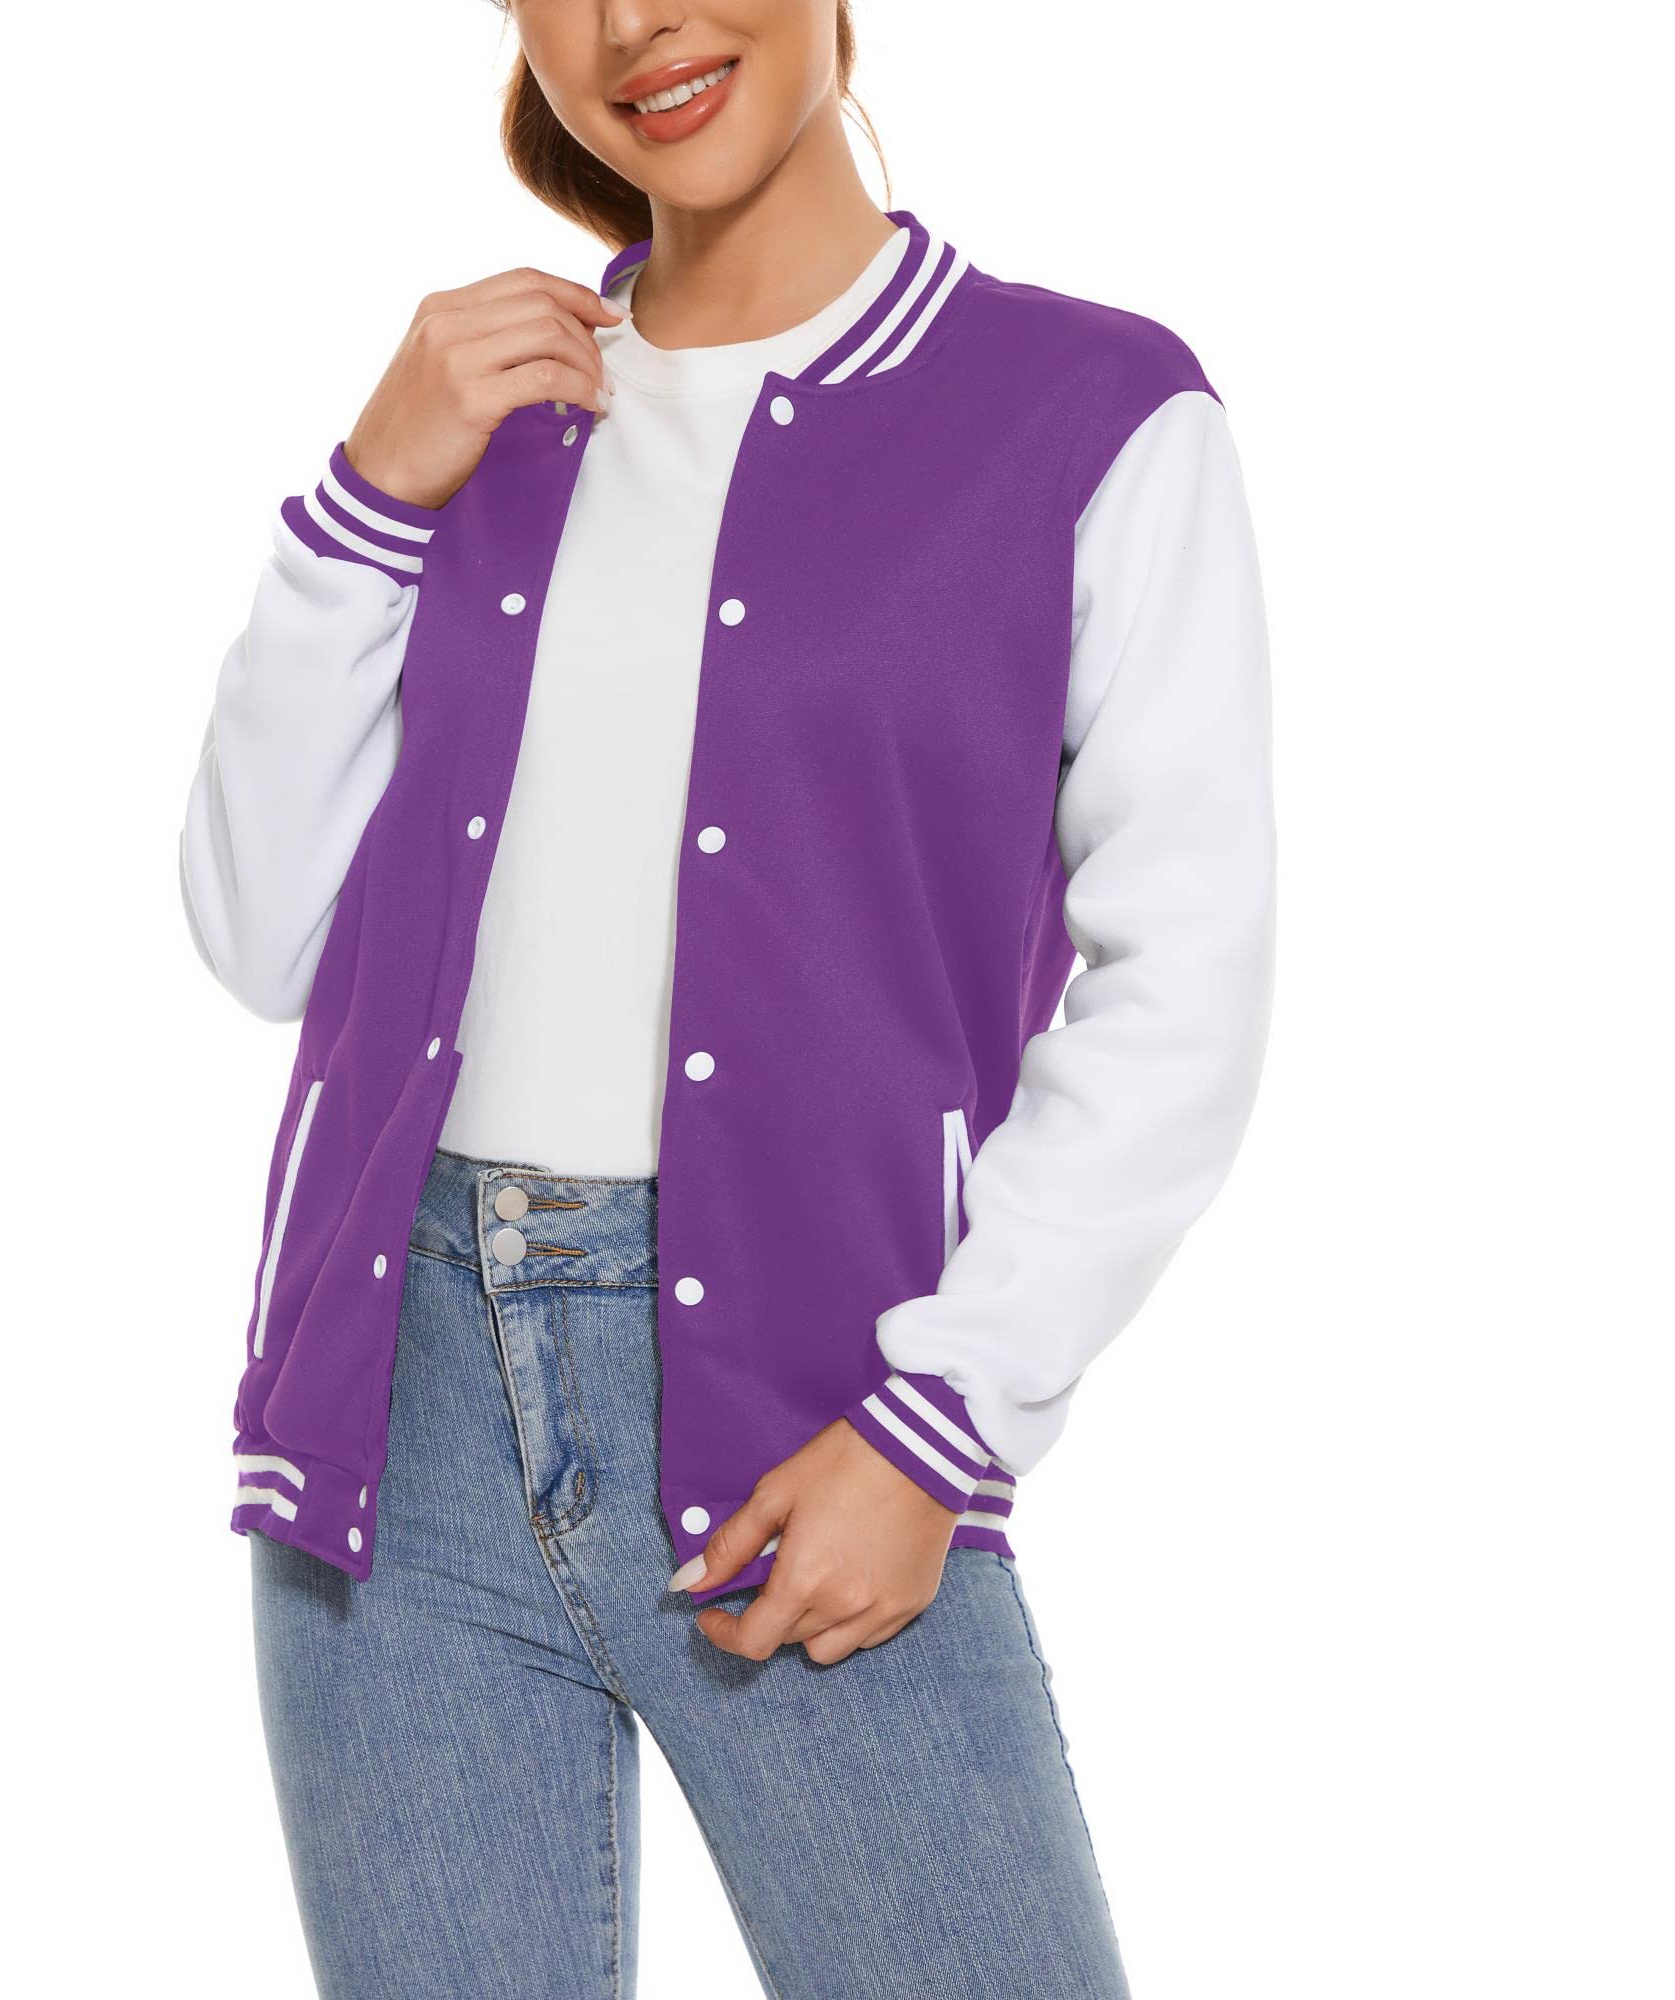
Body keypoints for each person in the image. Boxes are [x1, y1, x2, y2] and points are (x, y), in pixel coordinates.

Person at [179, 3, 1274, 1992]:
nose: (635, 23)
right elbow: (261, 935)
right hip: (395, 1428)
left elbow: (1184, 976)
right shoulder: (479, 411)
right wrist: (363, 506)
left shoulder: (1089, 413)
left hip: (817, 1416)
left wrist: (944, 1419)